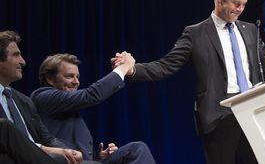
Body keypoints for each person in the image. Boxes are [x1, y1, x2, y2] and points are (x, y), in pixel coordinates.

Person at [113, 0, 265, 164]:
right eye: (236, 3)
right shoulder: (195, 34)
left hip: (252, 112)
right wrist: (133, 69)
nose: (240, 9)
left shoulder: (251, 30)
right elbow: (165, 66)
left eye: (244, 4)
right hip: (219, 116)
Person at [30, 53, 156, 164]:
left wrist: (99, 158)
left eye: (78, 77)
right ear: (50, 79)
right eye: (69, 76)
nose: (76, 82)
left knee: (136, 149)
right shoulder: (42, 96)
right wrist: (123, 68)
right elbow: (90, 95)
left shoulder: (67, 107)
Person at [0, 30, 84, 164]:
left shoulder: (24, 101)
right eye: (16, 55)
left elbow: (46, 139)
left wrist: (66, 151)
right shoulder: (43, 96)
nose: (23, 62)